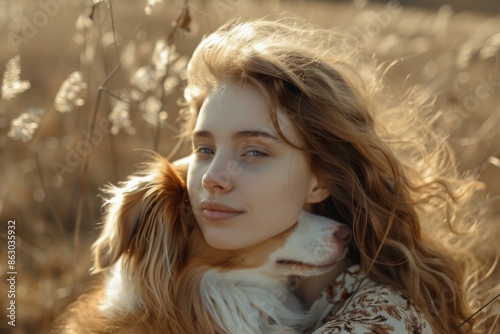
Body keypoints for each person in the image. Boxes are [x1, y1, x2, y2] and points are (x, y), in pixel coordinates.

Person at [178, 15, 497, 334]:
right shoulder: (241, 296)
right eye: (205, 149)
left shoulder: (377, 323)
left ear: (321, 180)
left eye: (255, 151)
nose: (212, 177)